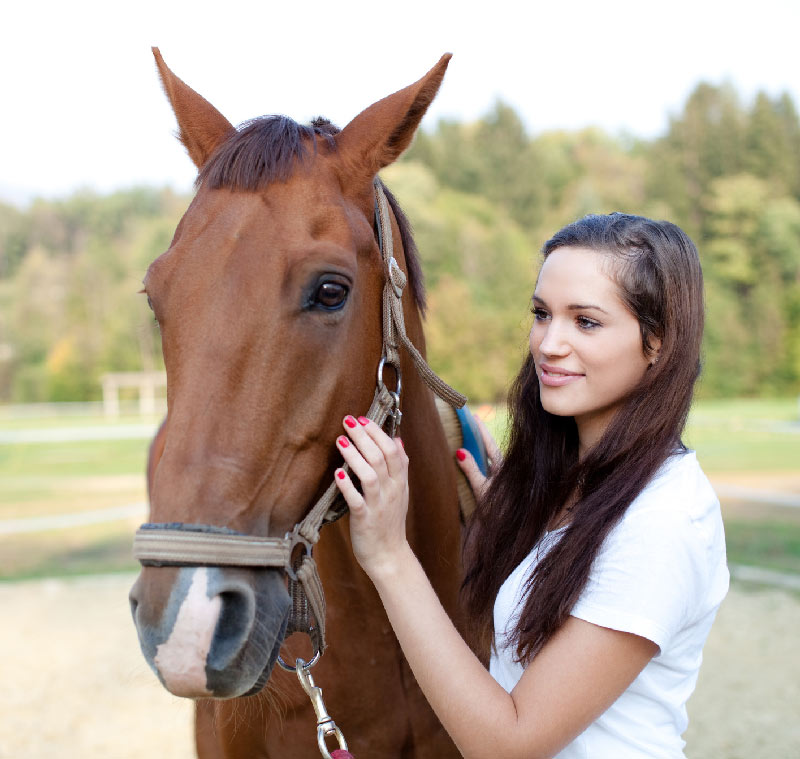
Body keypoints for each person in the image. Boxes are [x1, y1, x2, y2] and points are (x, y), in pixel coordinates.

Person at [333, 213, 729, 759]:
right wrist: (514, 536)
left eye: (585, 322)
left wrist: (389, 555)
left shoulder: (662, 520)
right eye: (542, 314)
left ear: (656, 341)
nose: (549, 343)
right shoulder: (570, 486)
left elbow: (508, 743)